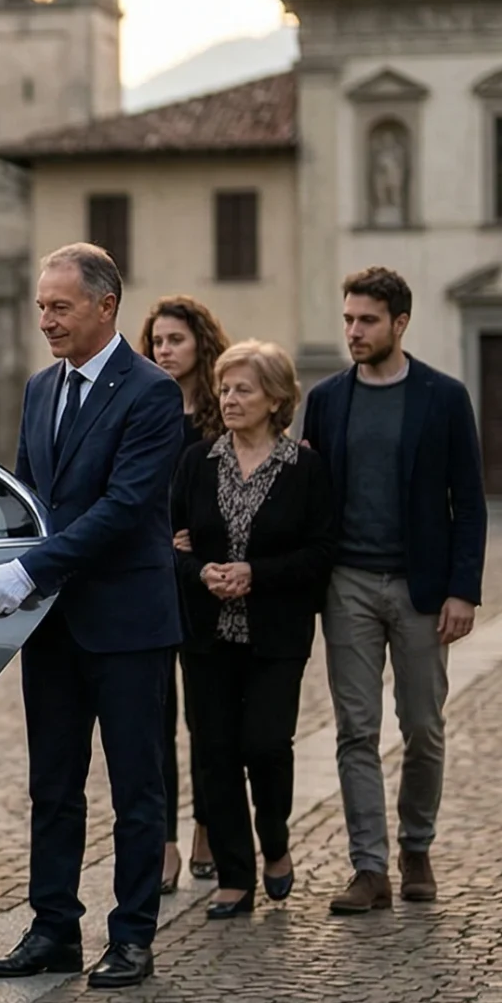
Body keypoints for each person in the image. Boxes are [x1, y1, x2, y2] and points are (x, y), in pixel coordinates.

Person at [0, 244, 184, 989]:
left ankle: (131, 937)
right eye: (40, 305)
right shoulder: (38, 389)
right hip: (56, 623)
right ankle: (54, 928)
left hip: (127, 622)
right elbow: (32, 500)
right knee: (53, 784)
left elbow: (125, 509)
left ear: (105, 306)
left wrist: (31, 568)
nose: (45, 320)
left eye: (59, 307)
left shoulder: (154, 394)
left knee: (136, 787)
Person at [299, 267, 486, 915]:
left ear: (400, 323)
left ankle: (416, 846)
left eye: (367, 320)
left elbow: (470, 500)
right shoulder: (326, 399)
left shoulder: (443, 397)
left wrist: (463, 590)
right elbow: (309, 493)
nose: (354, 330)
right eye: (349, 318)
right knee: (356, 728)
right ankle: (369, 866)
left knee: (424, 727)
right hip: (347, 583)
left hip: (421, 589)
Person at [170, 340, 335, 919]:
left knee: (265, 745)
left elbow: (320, 553)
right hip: (206, 634)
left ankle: (277, 843)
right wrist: (200, 571)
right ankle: (235, 876)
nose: (230, 399)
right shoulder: (197, 463)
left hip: (276, 634)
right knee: (214, 751)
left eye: (243, 389)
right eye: (225, 388)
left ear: (276, 398)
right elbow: (170, 544)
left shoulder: (306, 470)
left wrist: (254, 573)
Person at [138, 295, 231, 891]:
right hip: (151, 577)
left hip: (205, 582)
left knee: (207, 715)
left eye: (175, 340)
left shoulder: (223, 413)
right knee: (155, 720)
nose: (164, 350)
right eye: (157, 342)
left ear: (200, 344)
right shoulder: (146, 409)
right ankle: (164, 841)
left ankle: (206, 826)